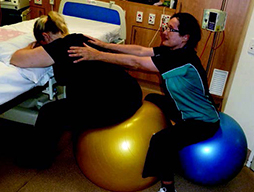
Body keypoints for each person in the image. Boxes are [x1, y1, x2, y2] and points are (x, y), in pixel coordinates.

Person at [67, 12, 220, 192]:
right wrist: (104, 45)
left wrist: (97, 55)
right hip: (182, 111)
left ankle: (168, 188)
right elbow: (139, 51)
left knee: (161, 141)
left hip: (202, 121)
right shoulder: (172, 50)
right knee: (151, 98)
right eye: (166, 27)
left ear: (185, 37)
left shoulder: (182, 59)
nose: (164, 32)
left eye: (171, 29)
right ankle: (171, 148)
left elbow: (136, 62)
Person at [10, 11, 142, 169]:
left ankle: (38, 160)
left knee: (49, 113)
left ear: (45, 37)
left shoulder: (57, 47)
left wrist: (30, 47)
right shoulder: (80, 37)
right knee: (68, 103)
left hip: (116, 104)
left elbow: (16, 58)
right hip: (131, 92)